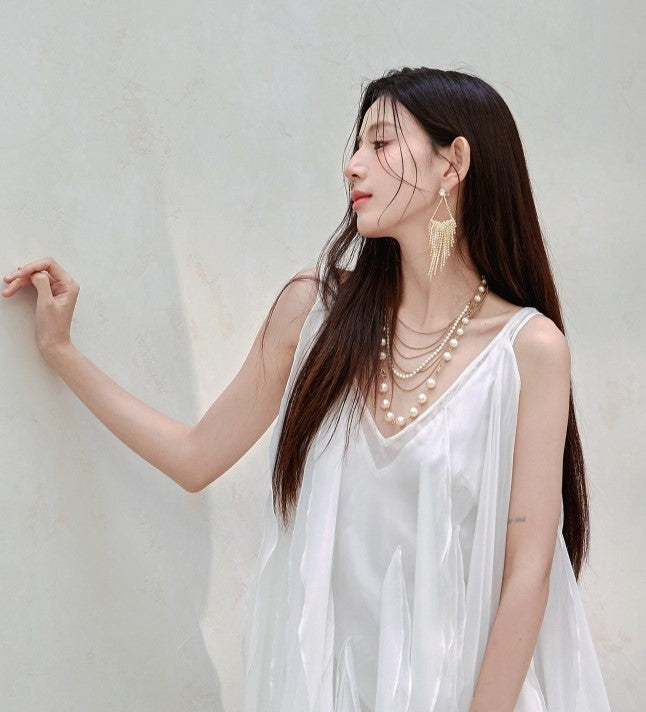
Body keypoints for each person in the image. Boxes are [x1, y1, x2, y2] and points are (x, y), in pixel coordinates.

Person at [2, 67, 611, 711]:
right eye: (358, 144)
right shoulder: (315, 312)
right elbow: (194, 456)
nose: (353, 165)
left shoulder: (527, 351)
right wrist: (61, 352)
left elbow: (527, 573)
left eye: (381, 143)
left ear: (452, 163)